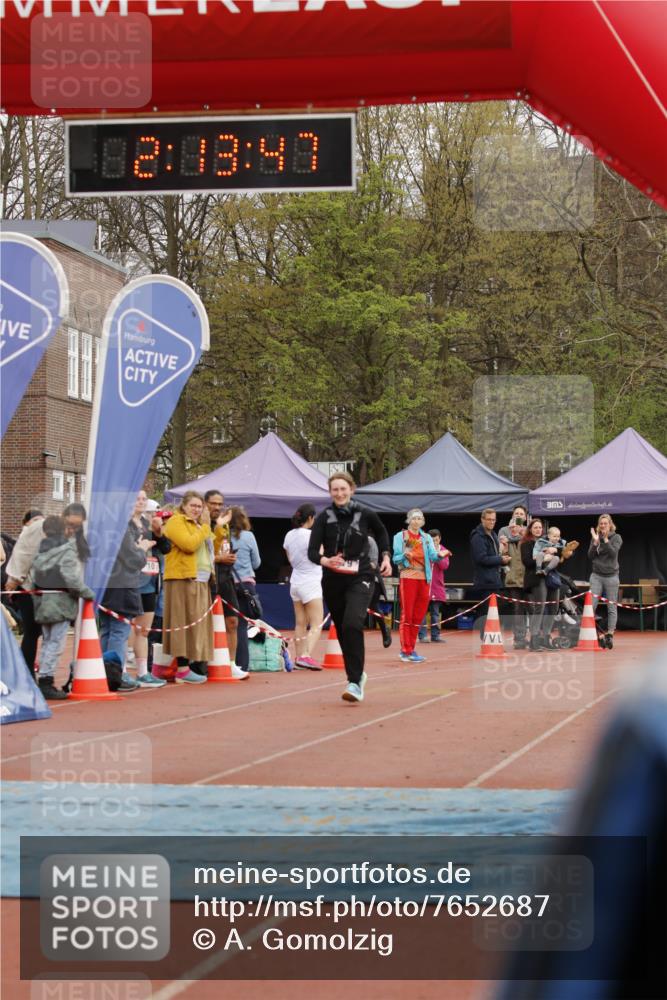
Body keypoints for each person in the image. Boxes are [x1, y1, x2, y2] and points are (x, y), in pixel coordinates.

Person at [308, 472, 391, 704]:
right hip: (333, 579)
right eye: (335, 490)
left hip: (361, 576)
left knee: (353, 622)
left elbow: (382, 532)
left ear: (352, 489)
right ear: (330, 492)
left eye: (343, 489)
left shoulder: (365, 513)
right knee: (344, 630)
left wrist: (385, 557)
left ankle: (354, 682)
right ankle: (356, 675)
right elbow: (312, 551)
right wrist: (326, 561)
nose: (340, 493)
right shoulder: (324, 517)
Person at [28, 515, 95, 700]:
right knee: (55, 643)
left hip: (43, 600)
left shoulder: (40, 549)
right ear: (64, 529)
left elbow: (34, 576)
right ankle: (46, 681)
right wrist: (86, 592)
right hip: (60, 601)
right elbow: (70, 577)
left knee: (47, 641)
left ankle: (43, 677)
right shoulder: (65, 550)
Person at [162, 491, 224, 683]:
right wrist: (205, 526)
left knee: (196, 625)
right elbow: (188, 544)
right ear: (184, 506)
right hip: (183, 577)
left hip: (202, 580)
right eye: (193, 506)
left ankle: (191, 665)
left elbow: (211, 547)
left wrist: (218, 528)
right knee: (182, 622)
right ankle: (182, 668)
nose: (196, 509)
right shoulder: (176, 521)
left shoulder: (199, 525)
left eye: (199, 506)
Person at [99, 516, 155, 690]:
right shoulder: (121, 528)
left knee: (108, 630)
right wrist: (142, 548)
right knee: (118, 632)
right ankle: (116, 673)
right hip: (121, 586)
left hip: (106, 584)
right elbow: (134, 559)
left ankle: (104, 672)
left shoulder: (102, 525)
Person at [127, 491, 170, 688]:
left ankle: (143, 673)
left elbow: (166, 548)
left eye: (144, 499)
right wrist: (140, 548)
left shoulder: (148, 524)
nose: (141, 502)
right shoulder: (124, 525)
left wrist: (159, 533)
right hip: (128, 582)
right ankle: (120, 671)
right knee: (127, 628)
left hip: (149, 583)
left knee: (143, 631)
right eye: (137, 498)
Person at [392, 510, 440, 662]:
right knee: (408, 614)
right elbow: (395, 558)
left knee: (419, 615)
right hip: (408, 576)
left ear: (423, 521)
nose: (416, 521)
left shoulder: (426, 538)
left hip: (424, 578)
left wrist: (440, 554)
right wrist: (404, 556)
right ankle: (405, 650)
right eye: (414, 518)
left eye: (419, 518)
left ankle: (411, 648)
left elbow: (433, 556)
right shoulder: (401, 536)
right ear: (409, 520)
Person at [283, 503, 324, 670]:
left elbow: (289, 558)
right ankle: (306, 655)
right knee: (317, 622)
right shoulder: (313, 535)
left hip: (296, 581)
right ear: (310, 518)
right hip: (311, 581)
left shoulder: (289, 535)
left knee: (300, 622)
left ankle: (299, 657)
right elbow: (319, 555)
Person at [4, 509, 45, 673]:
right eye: (34, 520)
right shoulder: (28, 535)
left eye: (40, 519)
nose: (38, 523)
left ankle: (26, 668)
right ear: (26, 522)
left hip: (35, 587)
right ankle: (25, 669)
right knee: (32, 631)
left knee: (35, 632)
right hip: (27, 588)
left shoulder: (38, 534)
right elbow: (22, 557)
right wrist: (14, 579)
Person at [204, 490, 240, 667]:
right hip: (207, 580)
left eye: (220, 504)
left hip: (225, 578)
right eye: (213, 503)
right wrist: (219, 558)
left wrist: (230, 557)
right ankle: (205, 663)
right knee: (206, 623)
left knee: (232, 621)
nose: (217, 507)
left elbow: (223, 548)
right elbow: (202, 553)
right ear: (205, 504)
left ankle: (231, 664)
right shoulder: (202, 524)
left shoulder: (224, 525)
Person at [229, 506, 261, 673]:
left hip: (227, 583)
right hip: (245, 583)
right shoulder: (249, 536)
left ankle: (227, 661)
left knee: (228, 625)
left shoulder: (224, 536)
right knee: (241, 625)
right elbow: (256, 562)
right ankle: (242, 664)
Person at [520, 518, 560, 651]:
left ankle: (546, 638)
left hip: (551, 577)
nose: (538, 529)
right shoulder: (526, 544)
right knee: (540, 608)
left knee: (554, 607)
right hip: (536, 578)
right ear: (530, 529)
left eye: (540, 527)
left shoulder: (547, 542)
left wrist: (560, 553)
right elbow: (526, 562)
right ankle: (534, 640)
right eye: (535, 527)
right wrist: (542, 556)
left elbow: (558, 558)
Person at [470, 508, 511, 626]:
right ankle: (485, 638)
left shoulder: (493, 534)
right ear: (482, 519)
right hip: (484, 581)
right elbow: (481, 558)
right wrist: (500, 559)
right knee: (485, 613)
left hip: (494, 580)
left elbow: (494, 556)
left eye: (493, 520)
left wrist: (502, 559)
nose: (492, 522)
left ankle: (489, 637)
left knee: (493, 613)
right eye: (489, 519)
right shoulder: (477, 536)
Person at [588, 514, 622, 649]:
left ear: (610, 524)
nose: (603, 526)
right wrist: (595, 543)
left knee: (611, 607)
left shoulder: (617, 538)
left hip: (612, 576)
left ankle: (610, 635)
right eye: (601, 523)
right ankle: (591, 634)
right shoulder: (595, 537)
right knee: (591, 606)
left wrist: (606, 540)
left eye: (605, 523)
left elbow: (613, 553)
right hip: (596, 576)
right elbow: (590, 556)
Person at [417, 528, 451, 643]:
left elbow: (444, 566)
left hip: (436, 587)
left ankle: (435, 636)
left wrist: (438, 554)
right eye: (432, 540)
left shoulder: (444, 550)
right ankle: (422, 636)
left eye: (436, 540)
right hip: (424, 586)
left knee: (435, 614)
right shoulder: (423, 549)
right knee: (421, 613)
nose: (434, 542)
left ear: (440, 539)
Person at [504, 518, 529, 649]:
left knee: (532, 608)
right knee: (518, 610)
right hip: (513, 581)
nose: (513, 529)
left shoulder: (527, 541)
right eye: (511, 527)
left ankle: (537, 636)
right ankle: (519, 639)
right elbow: (502, 560)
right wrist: (503, 553)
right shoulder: (505, 542)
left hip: (528, 580)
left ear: (521, 528)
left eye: (515, 527)